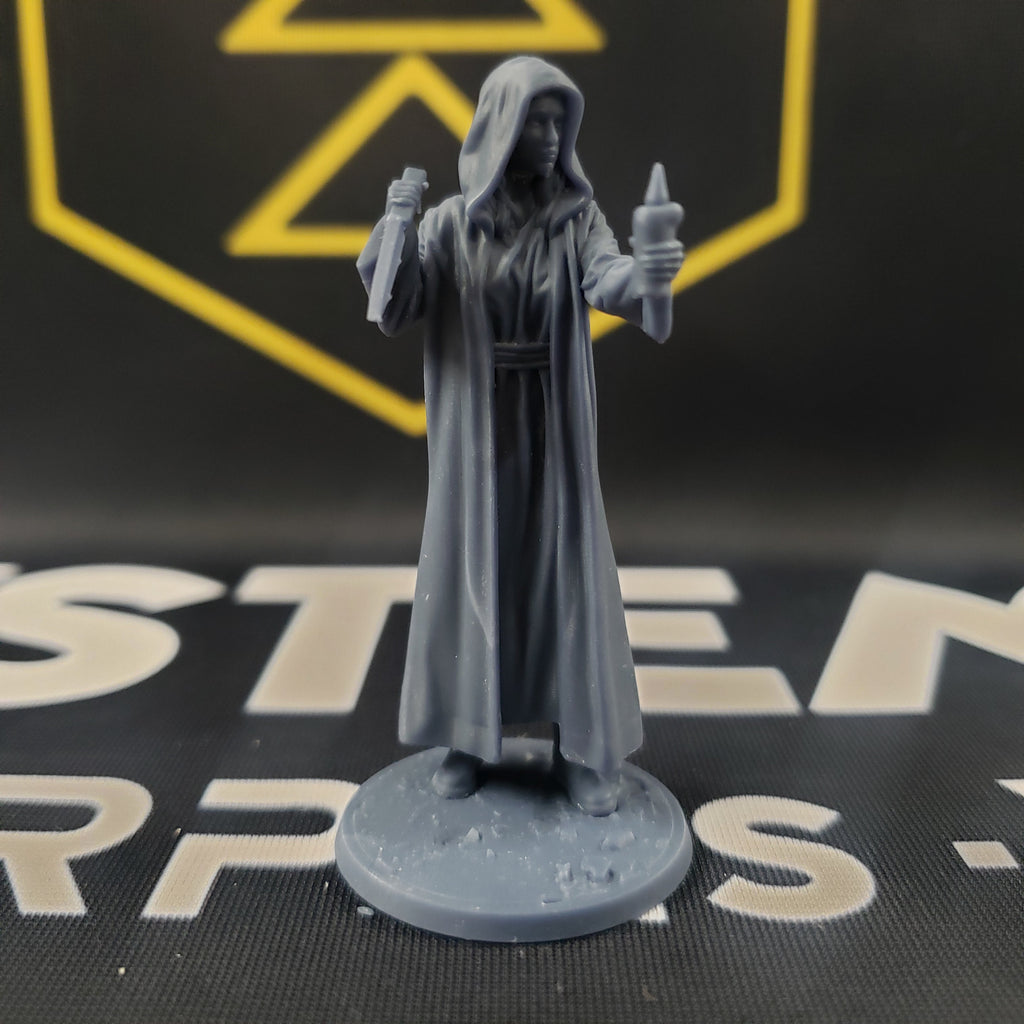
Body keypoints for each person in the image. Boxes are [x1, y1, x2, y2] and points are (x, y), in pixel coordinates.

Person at [357, 56, 683, 815]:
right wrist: (397, 223)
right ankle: (469, 737)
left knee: (563, 575)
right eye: (536, 121)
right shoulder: (450, 224)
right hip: (478, 431)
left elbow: (607, 279)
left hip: (552, 424)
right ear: (502, 127)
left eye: (558, 122)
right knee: (475, 569)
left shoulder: (576, 221)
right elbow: (395, 307)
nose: (551, 135)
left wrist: (649, 274)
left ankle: (581, 745)